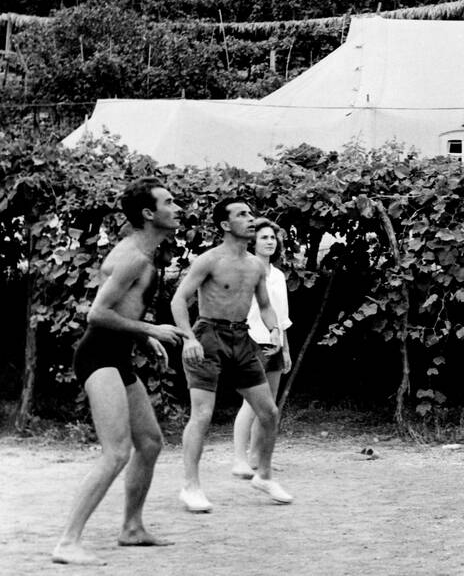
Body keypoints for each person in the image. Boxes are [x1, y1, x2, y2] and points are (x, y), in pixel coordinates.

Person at [51, 177, 186, 566]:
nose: (177, 208)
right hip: (98, 356)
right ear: (148, 214)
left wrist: (142, 338)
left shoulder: (144, 254)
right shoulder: (134, 258)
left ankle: (131, 528)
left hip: (117, 355)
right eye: (169, 202)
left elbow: (122, 310)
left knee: (150, 442)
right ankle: (67, 542)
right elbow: (97, 314)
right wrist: (151, 330)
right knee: (116, 452)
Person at [170, 198, 293, 511]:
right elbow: (179, 300)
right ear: (225, 225)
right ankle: (190, 486)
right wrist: (188, 339)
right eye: (242, 214)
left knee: (269, 412)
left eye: (251, 213)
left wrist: (275, 330)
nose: (250, 219)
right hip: (208, 336)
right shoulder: (209, 260)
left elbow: (265, 306)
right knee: (202, 414)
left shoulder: (255, 265)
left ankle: (263, 475)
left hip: (242, 337)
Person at [231, 218, 293, 479]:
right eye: (264, 237)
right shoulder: (244, 270)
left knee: (268, 406)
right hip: (250, 341)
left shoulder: (278, 275)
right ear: (252, 242)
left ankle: (258, 457)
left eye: (272, 238)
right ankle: (239, 460)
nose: (270, 242)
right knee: (251, 403)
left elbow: (281, 317)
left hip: (274, 344)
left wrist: (285, 349)